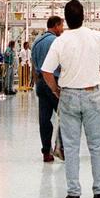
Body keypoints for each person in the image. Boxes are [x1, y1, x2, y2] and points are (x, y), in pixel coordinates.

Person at [41, 0, 100, 198]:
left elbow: (46, 71)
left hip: (68, 96)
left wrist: (55, 90)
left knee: (70, 147)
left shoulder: (59, 41)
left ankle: (73, 193)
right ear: (84, 16)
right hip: (93, 96)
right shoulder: (94, 36)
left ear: (65, 20)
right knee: (97, 146)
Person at [30, 16, 64, 162]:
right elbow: (62, 63)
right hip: (53, 82)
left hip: (41, 84)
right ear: (56, 26)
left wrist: (37, 82)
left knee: (44, 119)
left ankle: (46, 152)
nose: (62, 29)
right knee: (65, 116)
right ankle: (60, 148)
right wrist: (56, 87)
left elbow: (33, 64)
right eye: (61, 26)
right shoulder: (56, 42)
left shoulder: (37, 41)